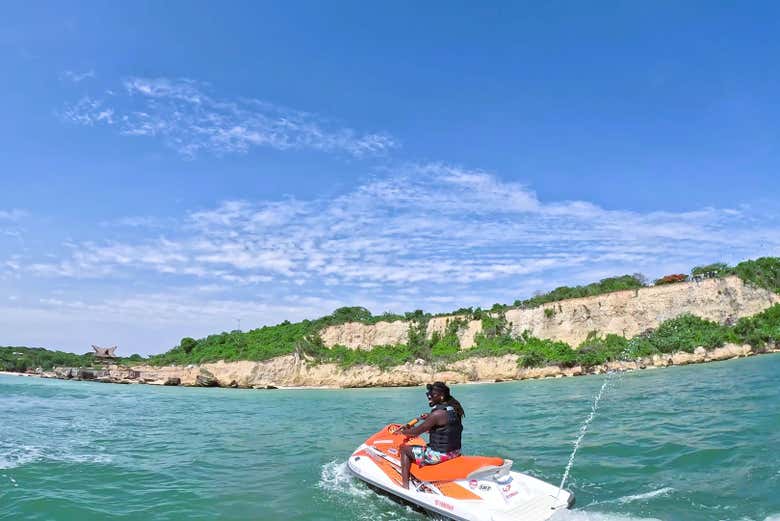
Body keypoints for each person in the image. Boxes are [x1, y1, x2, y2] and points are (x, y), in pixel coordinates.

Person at [398, 381, 465, 489]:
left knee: (404, 449)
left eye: (432, 395)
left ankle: (405, 486)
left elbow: (415, 432)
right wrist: (429, 416)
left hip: (440, 455)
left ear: (442, 397)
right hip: (455, 452)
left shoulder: (437, 415)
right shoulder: (454, 410)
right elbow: (446, 425)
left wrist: (403, 431)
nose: (429, 396)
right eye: (427, 394)